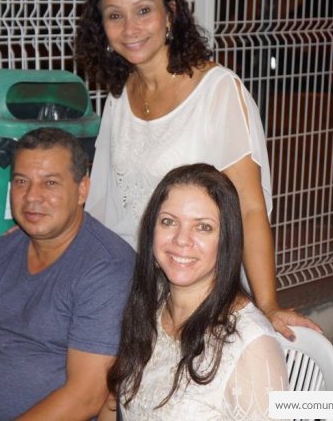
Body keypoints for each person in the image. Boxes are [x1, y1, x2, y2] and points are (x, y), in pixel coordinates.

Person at [75, 0, 320, 340]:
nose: (130, 28)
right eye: (115, 16)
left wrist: (268, 304)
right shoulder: (119, 98)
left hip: (196, 286)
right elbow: (103, 206)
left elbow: (250, 207)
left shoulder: (217, 91)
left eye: (143, 10)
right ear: (102, 28)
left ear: (170, 14)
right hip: (132, 286)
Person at [0, 128, 135, 421]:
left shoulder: (106, 268)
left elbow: (85, 396)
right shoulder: (0, 253)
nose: (32, 197)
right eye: (21, 182)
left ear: (82, 190)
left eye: (50, 183)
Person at [99, 163, 289, 420]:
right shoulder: (151, 308)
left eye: (203, 227)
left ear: (227, 241)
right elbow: (114, 403)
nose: (181, 239)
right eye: (168, 222)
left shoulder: (251, 347)